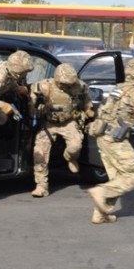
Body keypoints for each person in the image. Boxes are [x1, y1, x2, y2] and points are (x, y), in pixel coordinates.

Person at [85, 57, 134, 224]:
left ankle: (101, 213)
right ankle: (101, 192)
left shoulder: (119, 88)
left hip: (103, 135)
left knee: (117, 177)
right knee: (132, 176)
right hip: (115, 139)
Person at [29, 63, 93, 198]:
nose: (67, 87)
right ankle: (41, 186)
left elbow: (87, 102)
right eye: (64, 84)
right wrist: (37, 106)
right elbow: (31, 107)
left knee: (75, 146)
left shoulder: (80, 87)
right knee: (39, 152)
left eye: (69, 84)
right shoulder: (43, 86)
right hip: (48, 123)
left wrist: (88, 111)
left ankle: (70, 158)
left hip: (68, 122)